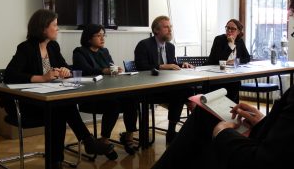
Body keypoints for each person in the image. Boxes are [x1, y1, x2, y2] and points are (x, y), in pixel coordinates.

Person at [2, 9, 113, 169]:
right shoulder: (26, 48)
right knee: (61, 109)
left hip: (49, 100)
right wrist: (40, 78)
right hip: (28, 104)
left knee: (60, 109)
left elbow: (65, 67)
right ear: (42, 28)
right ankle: (83, 144)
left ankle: (57, 161)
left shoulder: (53, 46)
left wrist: (65, 71)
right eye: (54, 25)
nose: (58, 28)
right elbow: (10, 75)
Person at [151, 84, 294, 169]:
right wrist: (262, 123)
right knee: (205, 114)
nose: (230, 31)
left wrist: (222, 132)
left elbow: (262, 162)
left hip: (254, 158)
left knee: (203, 117)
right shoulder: (220, 41)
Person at [73, 24, 139, 158]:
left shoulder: (105, 51)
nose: (102, 38)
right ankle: (104, 141)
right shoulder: (79, 52)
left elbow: (111, 67)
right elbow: (84, 70)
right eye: (98, 35)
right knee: (113, 104)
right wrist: (103, 70)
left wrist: (116, 69)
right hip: (90, 97)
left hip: (108, 91)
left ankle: (129, 137)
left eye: (104, 35)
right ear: (88, 38)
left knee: (131, 98)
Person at [134, 15, 193, 144]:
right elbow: (141, 67)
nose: (170, 30)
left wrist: (183, 65)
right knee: (182, 93)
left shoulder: (170, 47)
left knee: (188, 91)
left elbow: (172, 63)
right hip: (150, 89)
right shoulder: (144, 45)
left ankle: (176, 130)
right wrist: (162, 66)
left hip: (169, 87)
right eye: (166, 27)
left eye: (170, 27)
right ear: (156, 30)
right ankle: (174, 131)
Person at [205, 19, 250, 103]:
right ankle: (226, 108)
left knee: (235, 82)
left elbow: (247, 58)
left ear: (238, 31)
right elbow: (220, 59)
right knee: (234, 84)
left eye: (233, 29)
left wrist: (235, 61)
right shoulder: (219, 39)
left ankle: (231, 109)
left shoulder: (239, 41)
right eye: (227, 28)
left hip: (231, 74)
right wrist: (231, 45)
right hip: (216, 75)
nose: (229, 30)